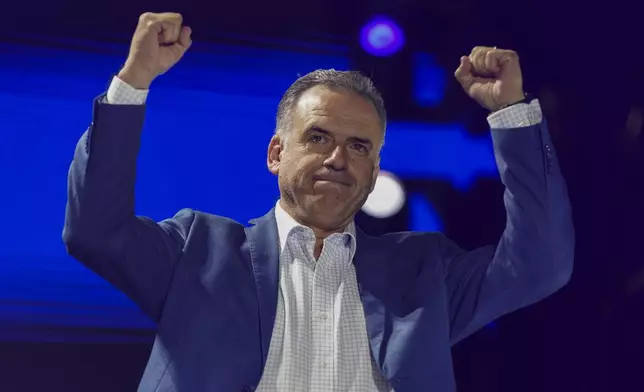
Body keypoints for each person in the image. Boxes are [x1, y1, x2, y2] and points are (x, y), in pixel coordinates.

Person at [62, 12, 574, 392]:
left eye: (358, 147)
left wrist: (509, 113)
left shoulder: (424, 272)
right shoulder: (198, 250)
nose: (337, 159)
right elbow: (94, 230)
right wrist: (133, 83)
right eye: (318, 138)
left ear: (374, 173)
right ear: (275, 153)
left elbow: (540, 263)